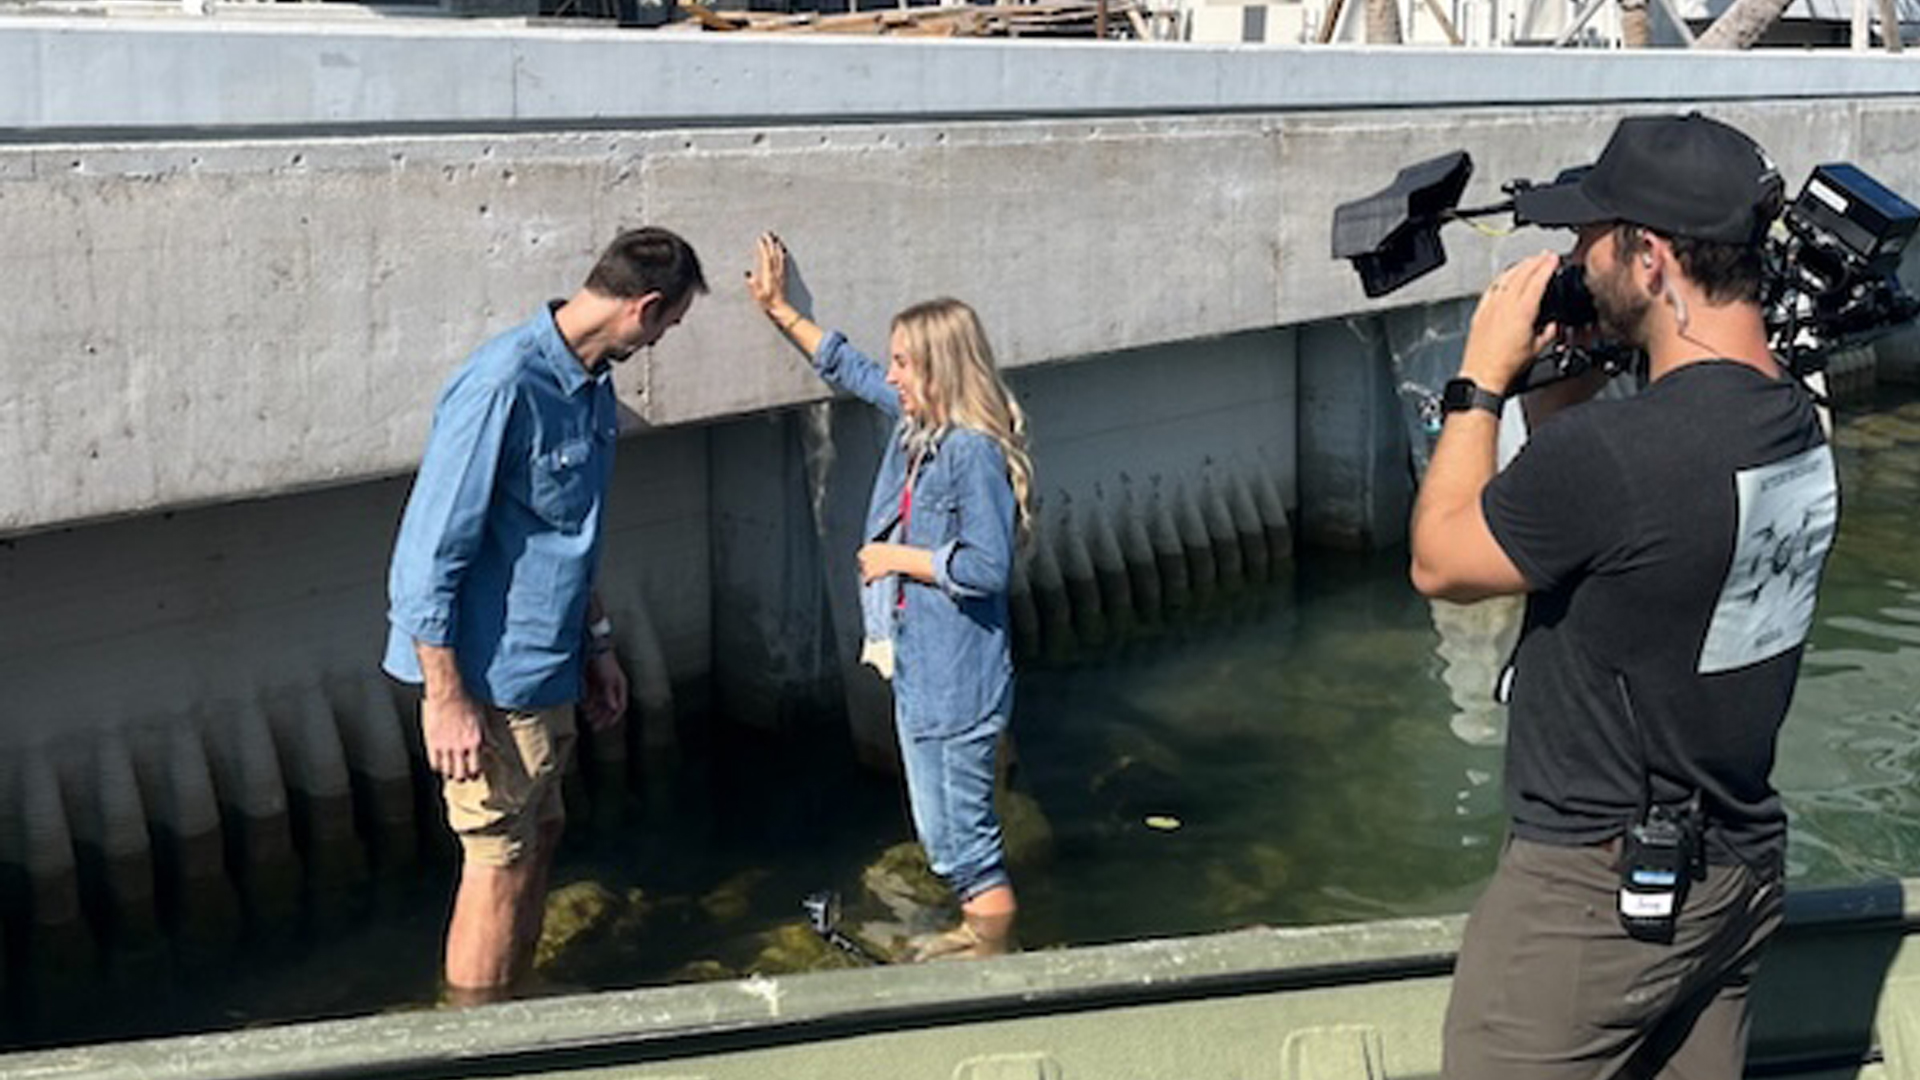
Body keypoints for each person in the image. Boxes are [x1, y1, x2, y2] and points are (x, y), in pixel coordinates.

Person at [1410, 113, 1838, 1078]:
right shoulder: (1797, 422)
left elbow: (1443, 559)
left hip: (1587, 900)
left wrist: (1480, 383)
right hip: (1734, 867)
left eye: (1588, 240)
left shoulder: (1611, 456)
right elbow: (1646, 543)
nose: (1573, 259)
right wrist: (1566, 387)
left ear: (1649, 259)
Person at [383, 227, 706, 1004]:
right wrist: (448, 697)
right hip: (487, 681)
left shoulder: (592, 386)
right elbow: (427, 554)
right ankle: (477, 1043)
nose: (661, 342)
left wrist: (597, 647)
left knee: (540, 838)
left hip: (546, 667)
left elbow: (568, 537)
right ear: (645, 306)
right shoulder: (504, 386)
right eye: (667, 326)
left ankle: (515, 1000)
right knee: (496, 859)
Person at [746, 232, 1033, 959]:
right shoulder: (919, 428)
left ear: (938, 369)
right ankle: (977, 934)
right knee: (944, 836)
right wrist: (782, 311)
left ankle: (992, 952)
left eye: (905, 361)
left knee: (968, 845)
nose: (894, 374)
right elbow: (853, 368)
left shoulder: (968, 451)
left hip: (958, 680)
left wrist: (893, 557)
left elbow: (987, 569)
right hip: (922, 668)